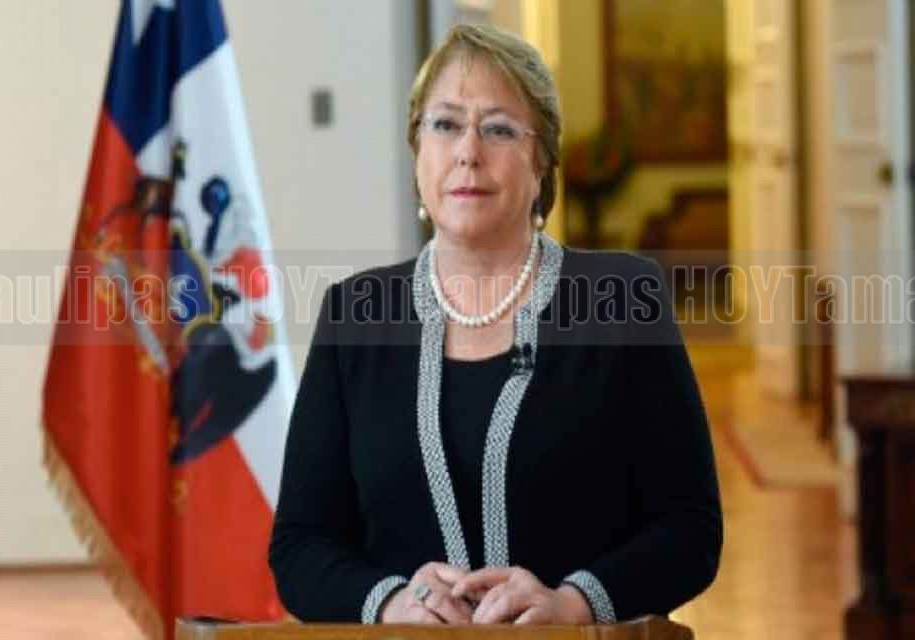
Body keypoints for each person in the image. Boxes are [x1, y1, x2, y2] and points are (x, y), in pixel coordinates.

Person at [269, 24, 721, 625]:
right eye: (445, 125)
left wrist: (571, 605)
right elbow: (299, 546)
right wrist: (393, 604)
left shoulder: (622, 299)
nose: (468, 152)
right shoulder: (355, 314)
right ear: (418, 152)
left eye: (500, 129)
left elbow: (690, 531)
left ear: (542, 163)